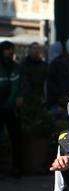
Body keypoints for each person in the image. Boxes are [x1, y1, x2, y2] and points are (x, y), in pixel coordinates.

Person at [0, 40, 22, 178]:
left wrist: (19, 97)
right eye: (7, 49)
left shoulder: (16, 68)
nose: (10, 52)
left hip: (12, 109)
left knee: (15, 138)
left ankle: (16, 168)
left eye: (11, 49)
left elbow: (19, 86)